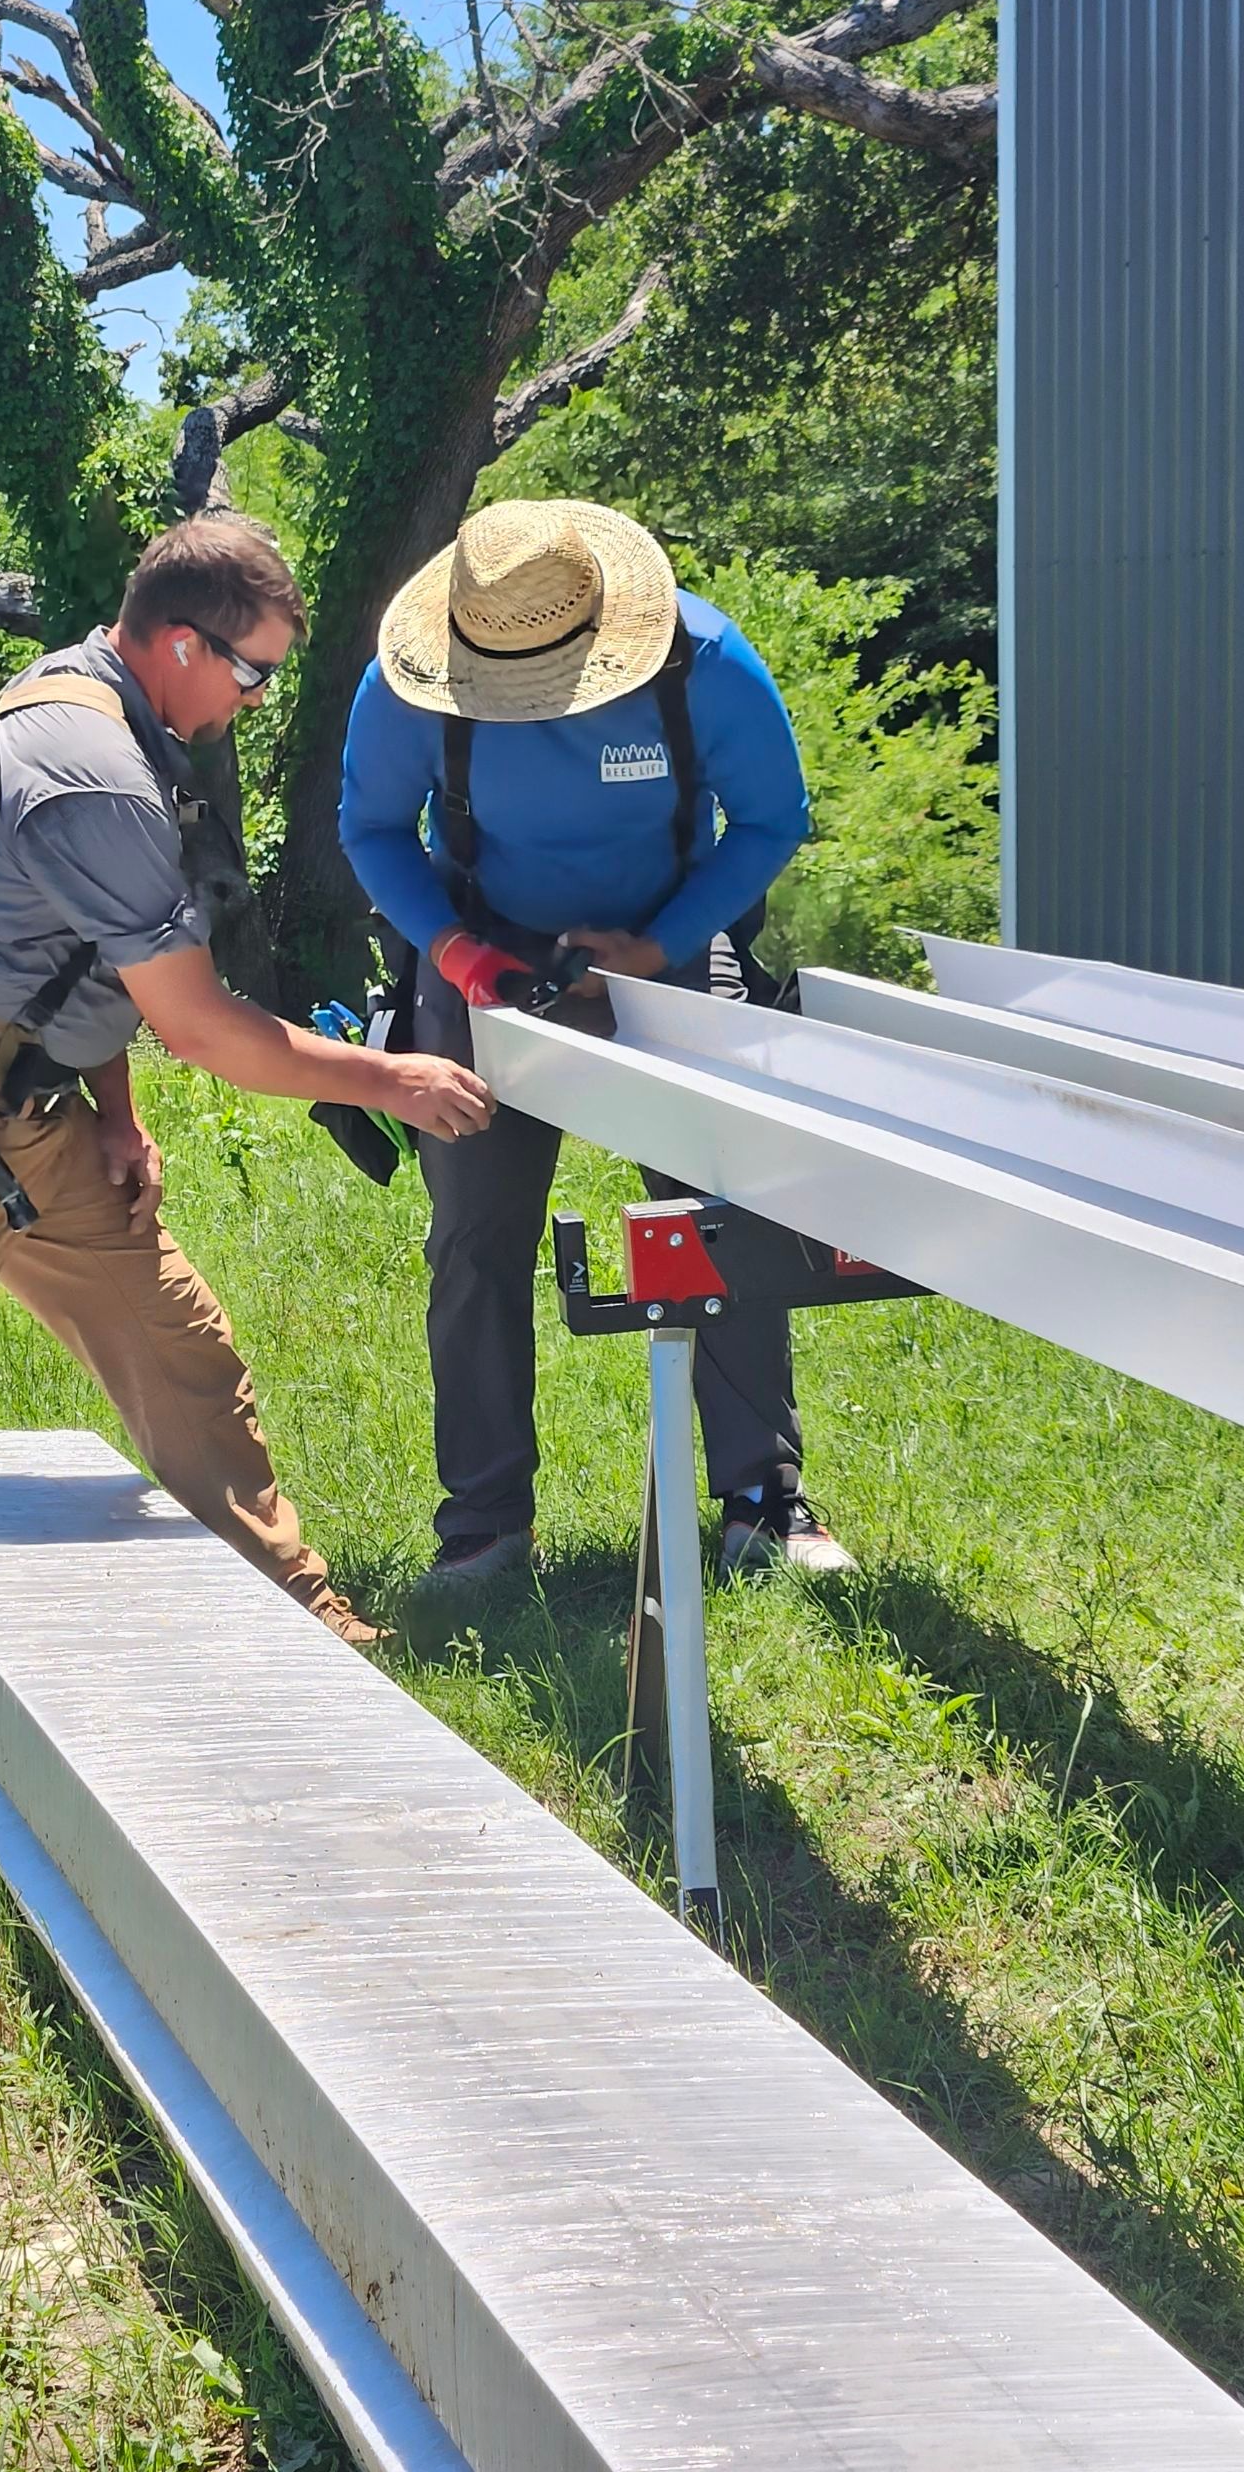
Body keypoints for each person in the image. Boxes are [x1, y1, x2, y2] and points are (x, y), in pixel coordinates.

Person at [0, 514, 492, 1774]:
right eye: (254, 672)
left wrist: (117, 1118)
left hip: (30, 1107)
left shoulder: (108, 706)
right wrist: (386, 1077)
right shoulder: (92, 770)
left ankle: (299, 1614)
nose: (255, 699)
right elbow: (200, 1022)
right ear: (183, 641)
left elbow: (82, 963)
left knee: (178, 1345)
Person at [339, 495, 852, 1635]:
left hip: (663, 950)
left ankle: (762, 1503)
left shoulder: (704, 665)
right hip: (482, 962)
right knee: (474, 1238)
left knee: (724, 1217)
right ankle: (484, 1524)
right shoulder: (408, 684)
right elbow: (370, 830)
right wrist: (460, 953)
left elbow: (770, 823)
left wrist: (660, 947)